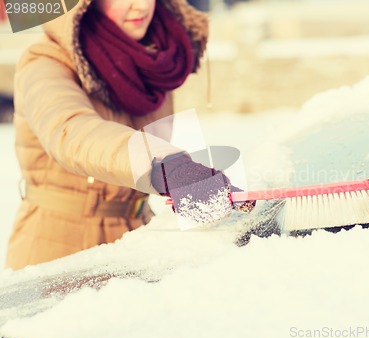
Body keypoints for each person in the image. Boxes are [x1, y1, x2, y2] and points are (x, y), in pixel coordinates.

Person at [6, 0, 253, 271]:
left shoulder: (153, 62)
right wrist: (168, 166)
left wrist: (196, 180)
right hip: (57, 247)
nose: (140, 6)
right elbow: (70, 130)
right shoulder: (44, 62)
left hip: (134, 238)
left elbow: (157, 145)